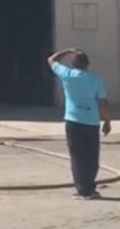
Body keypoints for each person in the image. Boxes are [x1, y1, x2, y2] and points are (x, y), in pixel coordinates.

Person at [47, 48, 111, 200]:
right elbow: (102, 102)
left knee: (77, 157)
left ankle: (83, 189)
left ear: (74, 64)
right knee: (91, 156)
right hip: (91, 122)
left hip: (73, 121)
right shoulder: (95, 80)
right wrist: (107, 120)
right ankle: (89, 186)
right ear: (87, 64)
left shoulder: (67, 75)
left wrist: (68, 51)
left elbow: (51, 60)